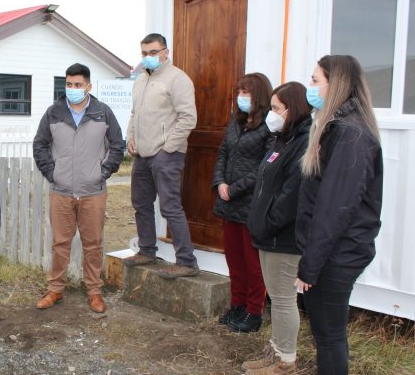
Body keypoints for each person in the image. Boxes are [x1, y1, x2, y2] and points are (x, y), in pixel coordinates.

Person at [296, 55, 383, 375]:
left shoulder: (350, 134)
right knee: (324, 332)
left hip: (337, 254)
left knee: (329, 336)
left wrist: (311, 265)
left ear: (337, 84)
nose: (311, 87)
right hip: (330, 252)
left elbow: (335, 208)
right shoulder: (336, 128)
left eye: (316, 80)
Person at [33, 63, 124, 313]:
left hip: (93, 192)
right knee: (60, 243)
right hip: (61, 191)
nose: (73, 89)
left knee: (93, 244)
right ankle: (55, 290)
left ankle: (94, 291)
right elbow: (40, 145)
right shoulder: (54, 112)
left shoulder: (102, 112)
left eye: (78, 85)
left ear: (88, 86)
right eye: (69, 84)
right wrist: (52, 174)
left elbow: (117, 145)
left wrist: (102, 173)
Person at [242, 82, 312, 375]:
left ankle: (286, 366)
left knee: (283, 300)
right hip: (267, 233)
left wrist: (267, 222)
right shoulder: (282, 139)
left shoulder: (303, 142)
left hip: (282, 237)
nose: (271, 114)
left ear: (291, 109)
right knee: (277, 296)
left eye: (275, 109)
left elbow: (291, 196)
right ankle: (276, 351)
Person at [122, 33, 199, 279]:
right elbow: (135, 113)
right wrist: (130, 138)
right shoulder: (141, 79)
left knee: (170, 207)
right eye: (144, 53)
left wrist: (168, 149)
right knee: (141, 204)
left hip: (167, 155)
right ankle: (147, 250)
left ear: (165, 52)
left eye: (153, 53)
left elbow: (188, 117)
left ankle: (186, 261)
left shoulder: (178, 79)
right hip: (142, 155)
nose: (148, 58)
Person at [212, 72, 273, 333]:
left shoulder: (269, 125)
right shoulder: (236, 121)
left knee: (253, 263)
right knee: (234, 259)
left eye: (246, 92)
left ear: (258, 95)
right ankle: (237, 304)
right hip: (228, 202)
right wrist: (220, 183)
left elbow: (264, 166)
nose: (241, 97)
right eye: (239, 92)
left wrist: (234, 188)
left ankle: (253, 311)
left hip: (250, 202)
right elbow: (223, 153)